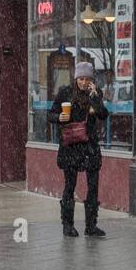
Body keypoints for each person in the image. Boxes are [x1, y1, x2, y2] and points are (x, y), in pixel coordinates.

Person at [47, 61, 109, 238]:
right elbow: (50, 115)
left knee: (93, 186)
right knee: (70, 185)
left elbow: (103, 115)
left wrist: (95, 98)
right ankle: (68, 225)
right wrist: (60, 117)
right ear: (76, 79)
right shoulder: (65, 93)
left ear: (92, 80)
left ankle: (91, 226)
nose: (83, 82)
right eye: (81, 78)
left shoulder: (94, 94)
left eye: (87, 79)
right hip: (71, 145)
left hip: (89, 145)